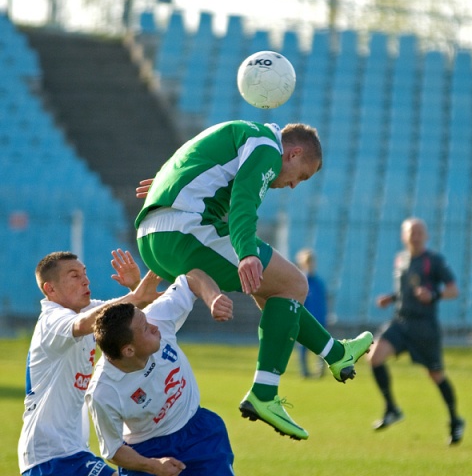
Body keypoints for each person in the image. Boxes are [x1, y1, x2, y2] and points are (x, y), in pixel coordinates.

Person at [134, 120, 373, 440]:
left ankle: (335, 353)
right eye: (301, 176)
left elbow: (189, 159)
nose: (293, 185)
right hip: (183, 231)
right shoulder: (266, 146)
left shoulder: (244, 136)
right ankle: (265, 393)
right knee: (295, 285)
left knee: (273, 291)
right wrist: (246, 251)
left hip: (153, 234)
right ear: (294, 153)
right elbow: (244, 200)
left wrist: (169, 186)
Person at [18, 249, 166, 476]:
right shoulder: (51, 320)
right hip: (49, 456)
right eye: (74, 276)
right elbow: (83, 324)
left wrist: (135, 287)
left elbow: (130, 318)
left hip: (70, 452)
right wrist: (136, 296)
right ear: (50, 289)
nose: (86, 280)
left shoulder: (88, 310)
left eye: (84, 273)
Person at [86, 269, 235, 476]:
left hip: (199, 432)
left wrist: (213, 298)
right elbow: (113, 451)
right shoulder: (103, 392)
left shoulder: (156, 318)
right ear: (128, 350)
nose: (155, 327)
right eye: (146, 329)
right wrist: (153, 466)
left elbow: (192, 278)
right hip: (146, 453)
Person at [369, 217, 465, 445]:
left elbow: (453, 290)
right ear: (404, 236)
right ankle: (392, 408)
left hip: (424, 326)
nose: (416, 236)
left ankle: (455, 421)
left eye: (420, 231)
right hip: (401, 322)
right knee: (374, 357)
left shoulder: (434, 261)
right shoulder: (401, 259)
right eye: (412, 232)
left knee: (436, 375)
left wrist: (433, 295)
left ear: (427, 236)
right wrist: (391, 298)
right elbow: (405, 291)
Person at [295, 248, 328, 378]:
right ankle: (304, 371)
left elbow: (322, 303)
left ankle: (321, 370)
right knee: (303, 346)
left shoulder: (319, 283)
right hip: (304, 320)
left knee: (322, 346)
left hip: (319, 319)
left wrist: (324, 317)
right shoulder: (300, 281)